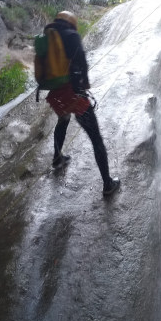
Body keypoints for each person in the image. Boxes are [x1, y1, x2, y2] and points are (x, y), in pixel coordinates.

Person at [39, 11, 120, 195]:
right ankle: (108, 184)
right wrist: (85, 83)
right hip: (74, 95)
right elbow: (82, 64)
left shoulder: (49, 37)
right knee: (96, 138)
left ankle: (57, 157)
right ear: (72, 22)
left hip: (56, 94)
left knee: (63, 121)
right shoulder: (72, 35)